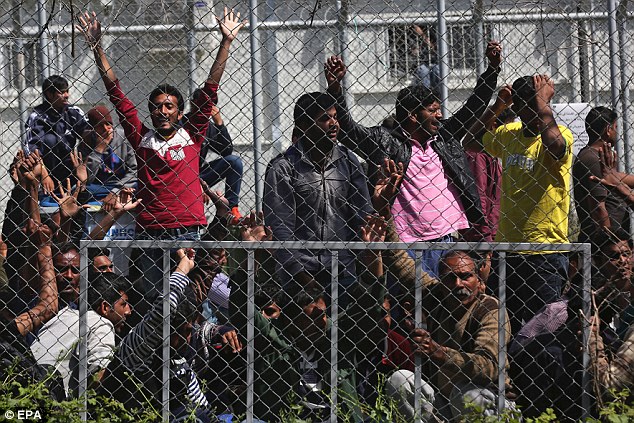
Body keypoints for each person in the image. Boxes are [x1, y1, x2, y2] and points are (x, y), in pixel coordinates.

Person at [77, 9, 245, 300]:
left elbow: (210, 90)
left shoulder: (192, 135)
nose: (163, 110)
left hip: (186, 231)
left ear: (180, 111)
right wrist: (97, 48)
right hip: (150, 233)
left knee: (191, 303)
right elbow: (115, 92)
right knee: (156, 302)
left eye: (169, 106)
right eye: (157, 106)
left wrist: (225, 42)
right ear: (151, 111)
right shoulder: (142, 138)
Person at [325, 41, 502, 277]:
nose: (440, 115)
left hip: (446, 238)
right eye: (432, 110)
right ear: (412, 116)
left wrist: (492, 69)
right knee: (409, 305)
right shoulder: (385, 141)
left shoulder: (444, 138)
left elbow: (473, 107)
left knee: (443, 306)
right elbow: (348, 131)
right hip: (405, 244)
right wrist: (335, 88)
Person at [230, 215, 389, 421]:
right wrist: (253, 256)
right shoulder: (273, 337)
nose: (319, 322)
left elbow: (370, 308)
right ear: (290, 321)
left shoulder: (336, 335)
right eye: (309, 318)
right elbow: (241, 307)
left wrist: (373, 256)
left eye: (321, 315)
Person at [463, 76, 574, 333]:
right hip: (508, 250)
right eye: (526, 104)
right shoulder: (509, 134)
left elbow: (556, 146)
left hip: (545, 251)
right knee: (501, 324)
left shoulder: (560, 135)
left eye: (536, 104)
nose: (532, 110)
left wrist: (542, 101)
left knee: (545, 328)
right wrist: (498, 107)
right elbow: (469, 141)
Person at [263, 92, 373, 301]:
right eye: (324, 118)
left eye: (335, 117)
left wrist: (360, 262)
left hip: (343, 269)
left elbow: (362, 214)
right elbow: (280, 227)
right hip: (301, 273)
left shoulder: (348, 162)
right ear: (304, 126)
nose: (333, 124)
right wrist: (300, 275)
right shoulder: (284, 168)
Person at [386, 250, 513, 421]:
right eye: (449, 278)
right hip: (444, 403)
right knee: (400, 380)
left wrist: (439, 352)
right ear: (442, 282)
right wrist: (386, 226)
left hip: (489, 399)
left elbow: (489, 367)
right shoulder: (438, 296)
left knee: (466, 393)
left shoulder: (490, 310)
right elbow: (402, 265)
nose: (458, 284)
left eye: (466, 276)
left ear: (479, 279)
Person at [30, 272, 132, 395]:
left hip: (28, 385)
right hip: (49, 400)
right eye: (124, 304)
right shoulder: (102, 324)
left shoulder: (64, 315)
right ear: (105, 307)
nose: (128, 311)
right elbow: (98, 374)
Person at [574, 106, 629, 245]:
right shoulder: (594, 159)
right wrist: (610, 243)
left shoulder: (596, 157)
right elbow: (598, 207)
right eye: (615, 127)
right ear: (608, 130)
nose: (617, 131)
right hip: (604, 244)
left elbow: (618, 178)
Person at [24, 75, 89, 191]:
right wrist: (44, 174)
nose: (67, 95)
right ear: (50, 94)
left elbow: (90, 135)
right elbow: (31, 150)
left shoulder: (73, 112)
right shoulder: (37, 116)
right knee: (50, 139)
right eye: (62, 92)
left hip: (72, 168)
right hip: (47, 169)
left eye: (67, 91)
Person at [186, 92, 243, 223]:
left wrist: (219, 123)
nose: (204, 109)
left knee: (234, 162)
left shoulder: (208, 127)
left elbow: (226, 151)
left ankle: (232, 209)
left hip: (199, 175)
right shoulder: (182, 124)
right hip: (180, 176)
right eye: (201, 105)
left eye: (209, 106)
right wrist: (197, 183)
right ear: (192, 104)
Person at [79, 105, 137, 202]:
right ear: (93, 128)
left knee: (140, 187)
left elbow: (134, 171)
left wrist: (115, 191)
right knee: (79, 191)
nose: (106, 129)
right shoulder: (87, 142)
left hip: (123, 184)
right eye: (100, 126)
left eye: (108, 124)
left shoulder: (124, 138)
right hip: (99, 186)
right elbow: (88, 178)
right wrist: (99, 149)